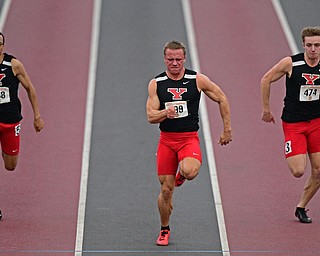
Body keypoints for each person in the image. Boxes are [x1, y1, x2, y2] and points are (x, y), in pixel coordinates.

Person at [146, 40, 232, 246]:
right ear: (164, 59)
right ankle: (164, 229)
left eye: (178, 59)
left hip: (188, 139)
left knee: (191, 171)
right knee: (166, 191)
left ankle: (182, 175)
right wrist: (165, 113)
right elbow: (150, 116)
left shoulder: (197, 80)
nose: (174, 63)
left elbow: (221, 98)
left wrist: (226, 129)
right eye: (170, 59)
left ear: (184, 58)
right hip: (167, 141)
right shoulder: (156, 84)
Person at [261, 26, 320, 224]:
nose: (313, 49)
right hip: (294, 123)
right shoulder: (291, 63)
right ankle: (293, 147)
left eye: (317, 45)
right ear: (303, 45)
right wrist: (266, 110)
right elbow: (266, 79)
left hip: (317, 123)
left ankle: (301, 207)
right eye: (309, 45)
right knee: (298, 171)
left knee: (319, 170)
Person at [0, 32, 44, 217]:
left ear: (3, 45)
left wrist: (37, 116)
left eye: (0, 43)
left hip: (10, 121)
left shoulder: (14, 65)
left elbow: (30, 88)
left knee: (10, 166)